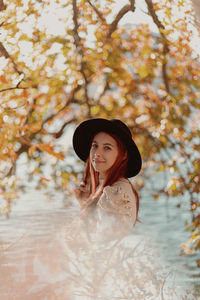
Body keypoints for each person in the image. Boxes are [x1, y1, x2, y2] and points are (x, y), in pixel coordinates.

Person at [72, 118, 142, 239]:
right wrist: (85, 203)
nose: (97, 153)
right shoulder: (108, 188)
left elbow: (98, 241)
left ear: (124, 154)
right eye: (95, 145)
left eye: (107, 148)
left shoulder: (116, 192)